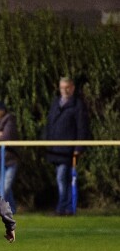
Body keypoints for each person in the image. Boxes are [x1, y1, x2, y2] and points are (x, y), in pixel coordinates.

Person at [44, 77, 91, 215]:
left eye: (67, 87)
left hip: (67, 149)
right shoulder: (55, 103)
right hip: (55, 149)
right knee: (63, 179)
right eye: (62, 87)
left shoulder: (78, 105)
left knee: (62, 178)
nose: (64, 90)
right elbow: (49, 124)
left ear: (72, 88)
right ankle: (68, 207)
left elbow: (82, 128)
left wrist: (78, 148)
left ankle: (62, 208)